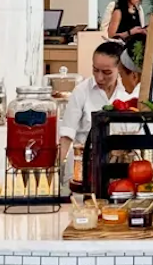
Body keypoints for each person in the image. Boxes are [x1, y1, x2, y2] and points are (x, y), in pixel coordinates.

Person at [57, 41, 136, 176]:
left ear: (120, 69)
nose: (99, 77)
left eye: (106, 72)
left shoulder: (130, 91)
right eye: (95, 70)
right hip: (86, 164)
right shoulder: (82, 91)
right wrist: (57, 170)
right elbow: (67, 133)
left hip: (124, 165)